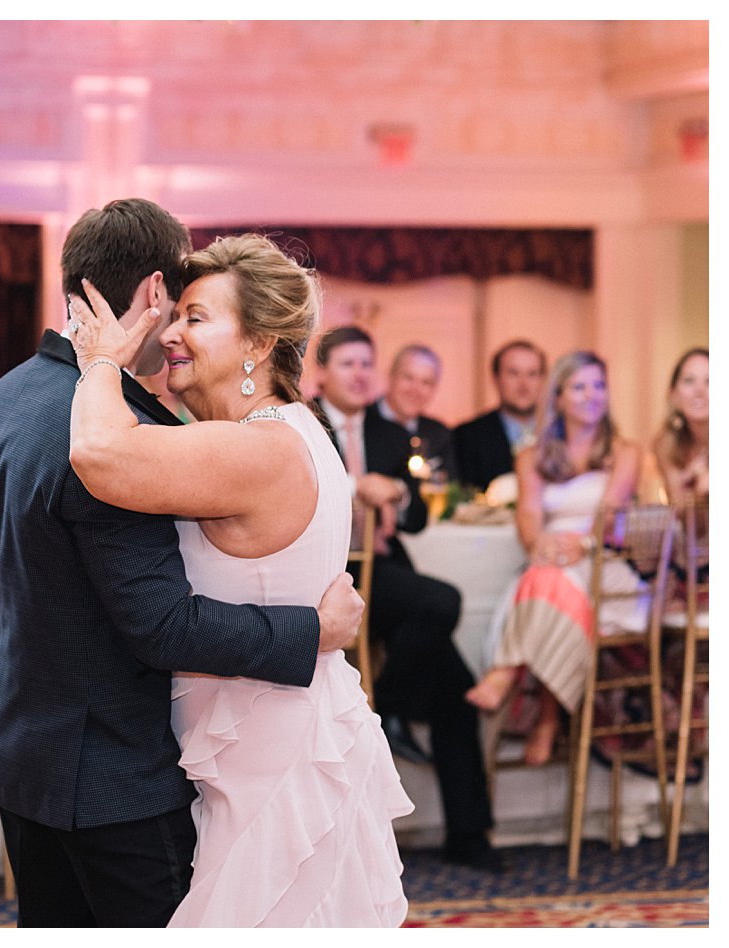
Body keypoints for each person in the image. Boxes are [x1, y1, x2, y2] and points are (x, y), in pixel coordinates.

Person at [0, 198, 363, 927]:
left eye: (195, 317)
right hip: (116, 768)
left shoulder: (1, 400)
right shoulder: (119, 429)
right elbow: (162, 625)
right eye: (176, 308)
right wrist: (315, 631)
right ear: (151, 293)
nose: (175, 330)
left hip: (38, 751)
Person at [66, 234, 412, 926]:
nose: (172, 335)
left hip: (271, 766)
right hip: (265, 745)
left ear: (257, 344)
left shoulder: (261, 447)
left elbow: (99, 452)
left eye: (195, 318)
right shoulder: (284, 434)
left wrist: (102, 361)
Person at [314, 324, 499, 872]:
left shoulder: (390, 432)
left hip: (385, 573)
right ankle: (390, 708)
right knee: (440, 603)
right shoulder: (300, 420)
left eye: (368, 364)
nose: (360, 374)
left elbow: (415, 517)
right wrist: (356, 485)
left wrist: (396, 490)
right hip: (323, 574)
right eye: (348, 364)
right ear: (322, 371)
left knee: (457, 684)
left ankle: (468, 835)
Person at [465, 351, 643, 766]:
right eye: (580, 387)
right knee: (548, 577)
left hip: (605, 565)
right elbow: (528, 516)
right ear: (558, 397)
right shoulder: (532, 456)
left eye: (599, 386)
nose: (592, 396)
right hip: (553, 562)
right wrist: (538, 546)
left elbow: (611, 514)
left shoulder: (624, 451)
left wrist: (579, 546)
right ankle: (548, 719)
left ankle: (507, 671)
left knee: (547, 581)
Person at [453, 340, 547, 492]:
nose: (523, 384)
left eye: (532, 374)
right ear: (496, 378)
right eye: (513, 373)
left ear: (543, 379)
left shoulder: (562, 432)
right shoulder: (467, 436)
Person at [377, 343, 458, 483]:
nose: (415, 389)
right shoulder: (360, 422)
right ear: (390, 376)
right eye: (408, 378)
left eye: (426, 382)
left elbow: (450, 487)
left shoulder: (439, 433)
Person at [653, 347, 709, 507]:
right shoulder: (666, 445)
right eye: (689, 381)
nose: (700, 391)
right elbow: (679, 511)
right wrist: (687, 481)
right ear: (674, 395)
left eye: (710, 381)